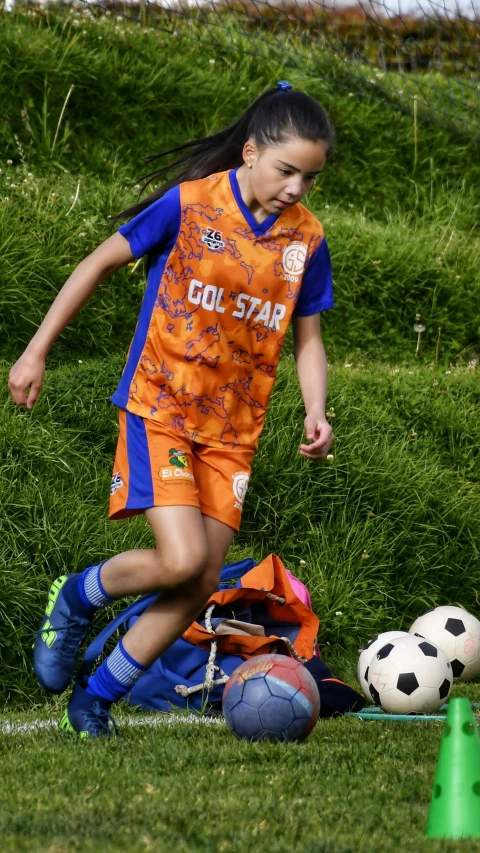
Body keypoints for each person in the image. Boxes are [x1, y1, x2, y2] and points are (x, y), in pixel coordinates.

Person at [8, 80, 336, 737]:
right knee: (183, 558)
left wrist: (316, 409)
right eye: (286, 170)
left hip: (234, 432)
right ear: (250, 153)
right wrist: (36, 350)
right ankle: (77, 593)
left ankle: (94, 700)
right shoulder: (190, 205)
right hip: (160, 405)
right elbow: (97, 261)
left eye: (309, 177)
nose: (296, 188)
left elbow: (309, 338)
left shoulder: (307, 241)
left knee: (201, 577)